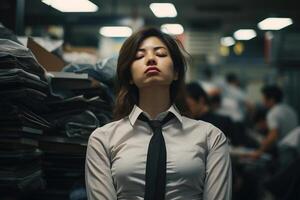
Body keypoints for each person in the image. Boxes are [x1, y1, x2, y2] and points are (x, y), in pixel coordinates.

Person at [85, 27, 232, 200]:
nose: (151, 59)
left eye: (161, 54)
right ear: (130, 76)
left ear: (176, 72)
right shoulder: (103, 139)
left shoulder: (210, 137)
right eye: (139, 56)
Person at [248, 85, 298, 160]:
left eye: (264, 98)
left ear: (271, 100)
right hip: (297, 149)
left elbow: (273, 136)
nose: (263, 102)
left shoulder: (273, 113)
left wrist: (259, 152)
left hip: (285, 150)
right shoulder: (290, 110)